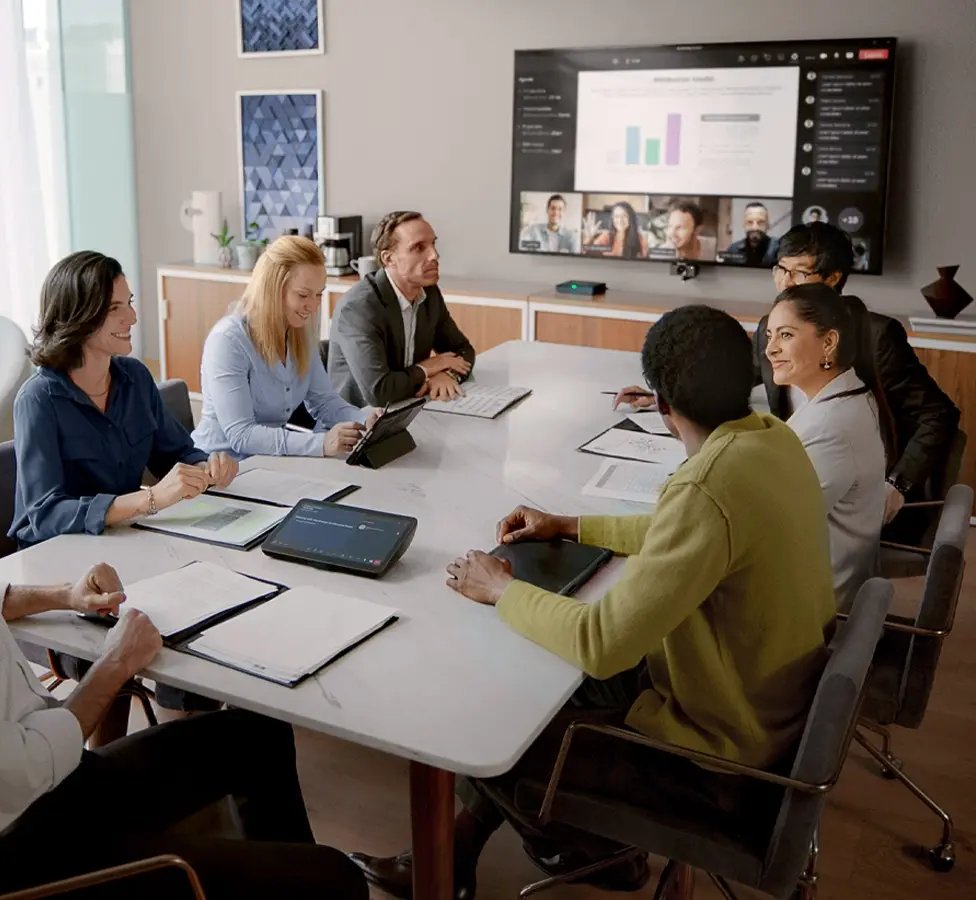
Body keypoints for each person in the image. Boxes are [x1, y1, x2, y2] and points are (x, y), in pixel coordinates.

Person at [0, 323, 366, 900]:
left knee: (256, 732)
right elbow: (22, 772)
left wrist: (63, 595)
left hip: (40, 784)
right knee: (334, 880)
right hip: (19, 842)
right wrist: (113, 666)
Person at [350, 306, 836, 898]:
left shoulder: (707, 486)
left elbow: (602, 643)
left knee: (494, 723)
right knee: (535, 680)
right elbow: (685, 530)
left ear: (661, 406)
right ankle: (456, 858)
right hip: (766, 707)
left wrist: (501, 588)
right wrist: (569, 524)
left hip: (720, 759)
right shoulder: (771, 441)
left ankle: (592, 852)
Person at [615, 223, 960, 540]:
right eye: (780, 270)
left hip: (859, 495)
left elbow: (938, 414)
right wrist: (666, 395)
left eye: (799, 272)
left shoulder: (876, 336)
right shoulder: (773, 324)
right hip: (794, 474)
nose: (785, 283)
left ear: (833, 278)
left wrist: (896, 484)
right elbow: (737, 374)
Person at [10, 250, 238, 547]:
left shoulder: (135, 378)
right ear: (77, 316)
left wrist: (209, 465)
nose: (132, 317)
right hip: (57, 557)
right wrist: (150, 499)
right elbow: (45, 514)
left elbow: (175, 453)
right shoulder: (38, 400)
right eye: (114, 308)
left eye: (128, 303)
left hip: (121, 539)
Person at [765, 283, 891, 609]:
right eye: (770, 336)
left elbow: (772, 525)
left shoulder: (832, 427)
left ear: (829, 342)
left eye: (786, 335)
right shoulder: (843, 396)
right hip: (824, 577)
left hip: (814, 609)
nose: (770, 349)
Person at [193, 236, 377, 458]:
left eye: (319, 294)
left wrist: (364, 420)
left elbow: (325, 402)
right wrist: (321, 444)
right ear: (272, 289)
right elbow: (241, 435)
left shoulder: (300, 334)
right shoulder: (227, 341)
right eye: (303, 294)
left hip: (270, 463)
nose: (313, 305)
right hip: (218, 469)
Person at [329, 211, 476, 406]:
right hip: (357, 422)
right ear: (389, 259)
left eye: (433, 244)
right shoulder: (359, 308)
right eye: (419, 247)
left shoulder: (428, 293)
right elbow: (379, 392)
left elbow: (463, 350)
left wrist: (444, 374)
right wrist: (429, 367)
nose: (434, 255)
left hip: (407, 407)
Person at [724, 201, 779, 267]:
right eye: (750, 222)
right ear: (744, 224)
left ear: (767, 225)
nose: (755, 228)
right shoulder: (733, 250)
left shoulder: (779, 248)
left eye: (760, 222)